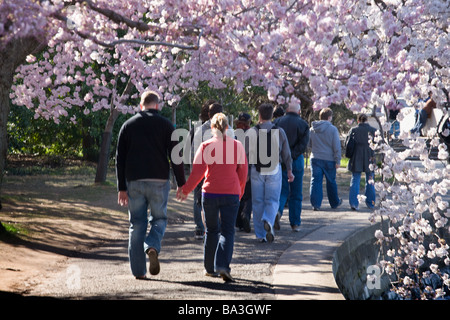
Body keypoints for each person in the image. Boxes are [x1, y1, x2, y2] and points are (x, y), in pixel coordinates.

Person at [116, 90, 186, 280]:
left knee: (136, 224)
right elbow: (175, 157)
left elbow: (119, 159)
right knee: (159, 219)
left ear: (141, 105)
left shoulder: (128, 125)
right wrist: (181, 183)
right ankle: (153, 245)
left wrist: (121, 187)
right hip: (159, 180)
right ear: (158, 105)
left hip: (134, 181)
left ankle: (139, 271)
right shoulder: (166, 125)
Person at [177, 112, 248, 282]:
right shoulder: (237, 145)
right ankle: (223, 265)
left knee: (211, 230)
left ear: (212, 128)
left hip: (210, 193)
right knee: (228, 231)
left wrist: (186, 190)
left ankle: (209, 268)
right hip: (231, 193)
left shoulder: (206, 145)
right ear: (227, 127)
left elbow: (197, 173)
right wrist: (240, 191)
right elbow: (243, 173)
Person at [246, 103, 293, 243]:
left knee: (257, 201)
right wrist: (289, 170)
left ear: (259, 115)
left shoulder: (252, 132)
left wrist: (246, 172)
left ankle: (260, 234)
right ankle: (268, 220)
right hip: (274, 168)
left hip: (256, 169)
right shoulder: (279, 131)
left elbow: (246, 154)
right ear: (272, 116)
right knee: (272, 200)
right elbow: (286, 153)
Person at [274, 103, 309, 232]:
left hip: (279, 159)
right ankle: (295, 223)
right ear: (299, 111)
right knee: (296, 193)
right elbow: (303, 145)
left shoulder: (277, 122)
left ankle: (277, 211)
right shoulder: (303, 125)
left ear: (287, 110)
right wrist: (292, 155)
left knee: (281, 190)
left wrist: (283, 155)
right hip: (296, 159)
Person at [186, 100, 217, 240]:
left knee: (197, 198)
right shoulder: (222, 129)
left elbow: (189, 151)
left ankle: (199, 227)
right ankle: (213, 225)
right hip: (215, 170)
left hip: (199, 168)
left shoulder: (196, 129)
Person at [308, 107, 342, 211]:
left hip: (315, 157)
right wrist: (338, 159)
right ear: (329, 117)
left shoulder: (312, 129)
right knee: (331, 181)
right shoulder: (332, 129)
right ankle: (334, 202)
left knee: (315, 181)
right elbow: (336, 146)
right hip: (329, 158)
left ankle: (316, 204)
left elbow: (309, 144)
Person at [345, 114, 377, 211]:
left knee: (355, 180)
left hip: (356, 156)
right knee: (370, 180)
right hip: (370, 156)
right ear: (367, 120)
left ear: (358, 121)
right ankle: (371, 203)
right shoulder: (373, 130)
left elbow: (347, 143)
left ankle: (354, 203)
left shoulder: (353, 130)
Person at [234, 112, 253, 233]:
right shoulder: (254, 134)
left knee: (237, 194)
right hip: (249, 167)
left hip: (235, 168)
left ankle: (238, 222)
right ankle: (246, 214)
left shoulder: (234, 134)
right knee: (248, 196)